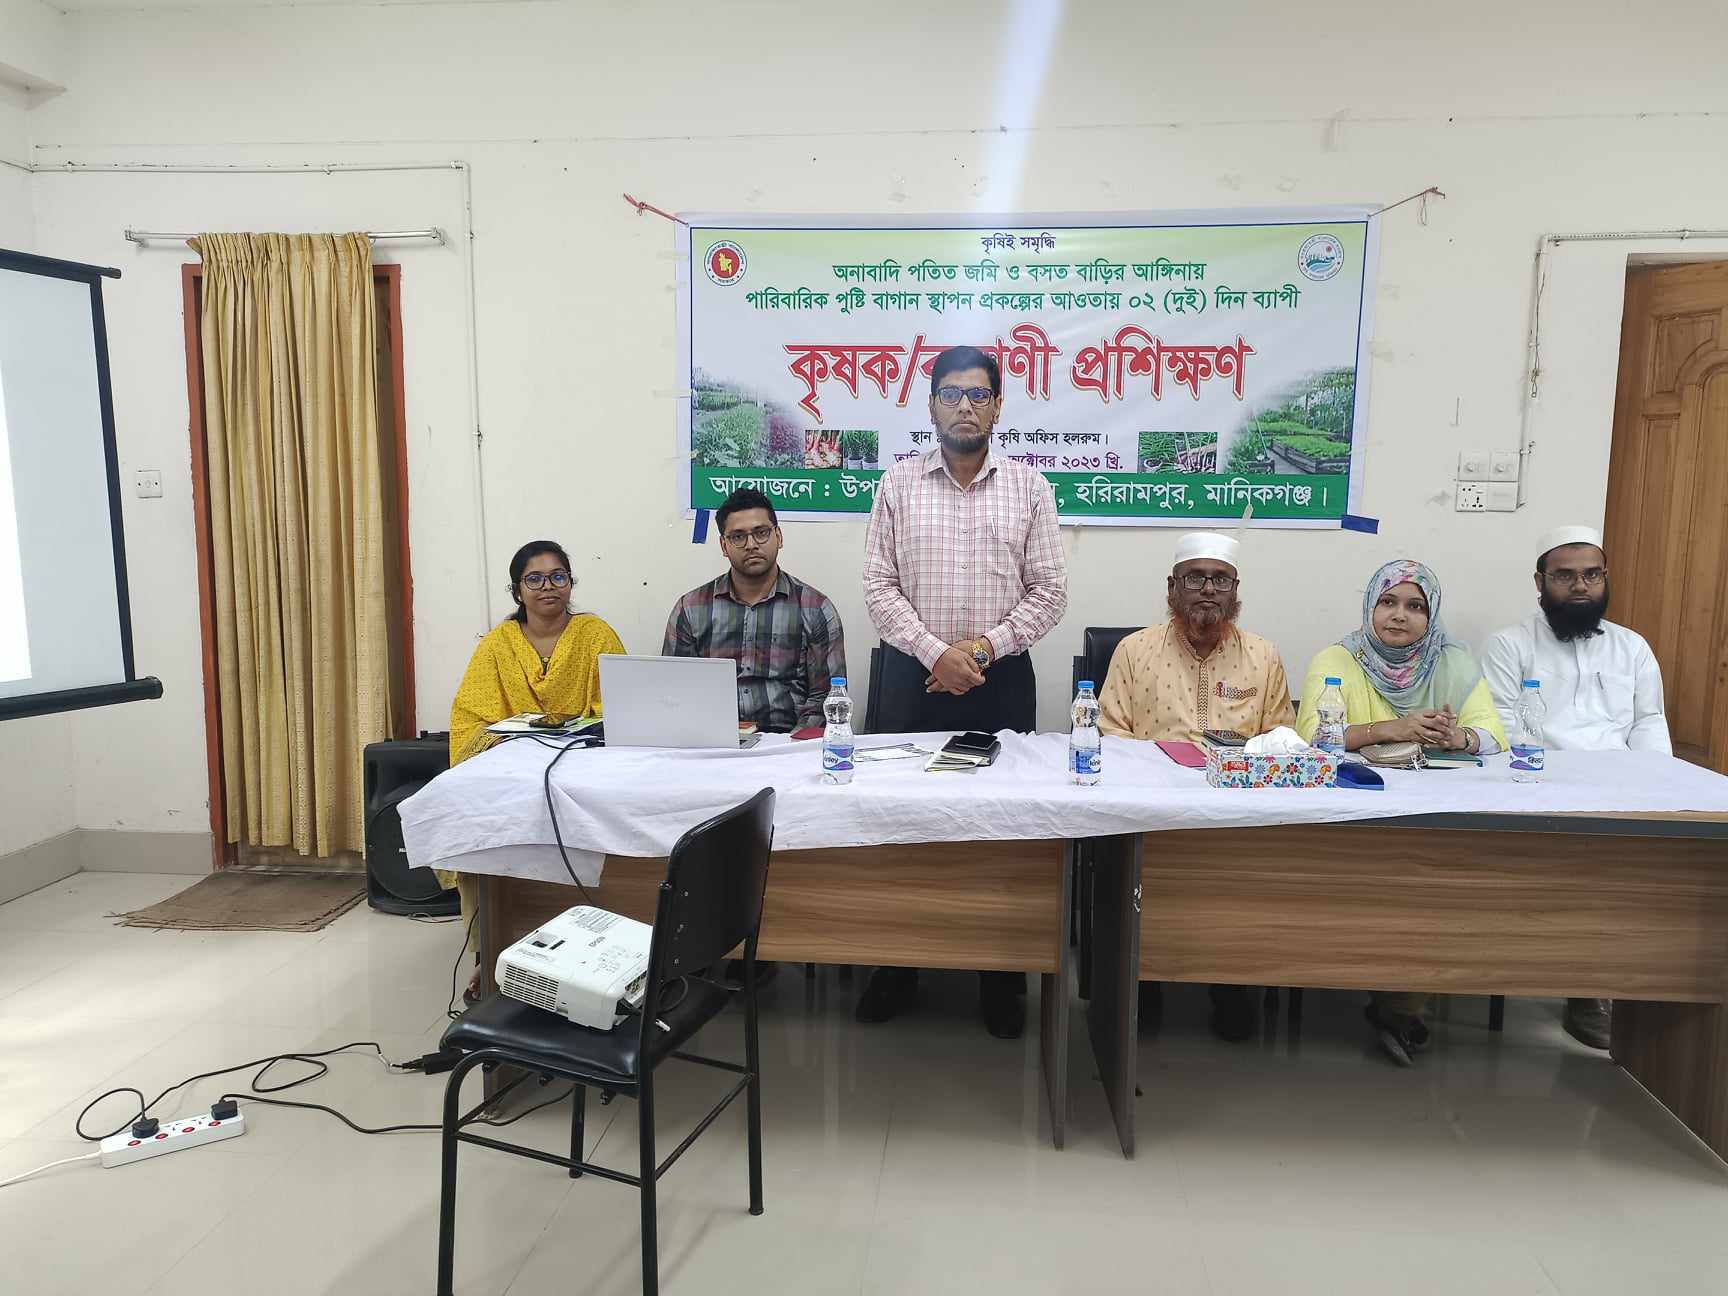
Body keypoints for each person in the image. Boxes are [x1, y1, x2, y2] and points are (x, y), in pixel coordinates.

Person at [860, 344, 1068, 1038]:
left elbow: (1049, 592)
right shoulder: (897, 483)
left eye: (979, 394)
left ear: (999, 406)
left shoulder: (1031, 487)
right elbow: (878, 587)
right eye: (951, 394)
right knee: (901, 826)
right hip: (911, 679)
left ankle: (999, 977)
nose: (965, 407)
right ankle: (895, 966)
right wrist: (935, 653)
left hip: (998, 678)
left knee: (999, 829)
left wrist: (978, 650)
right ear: (931, 406)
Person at [1296, 558, 1508, 1067]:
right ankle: (1385, 995)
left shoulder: (1454, 663)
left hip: (1433, 815)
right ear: (1371, 606)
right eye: (1388, 602)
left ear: (1430, 617)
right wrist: (1391, 728)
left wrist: (1456, 736)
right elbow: (1310, 738)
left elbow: (1495, 736)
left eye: (1416, 606)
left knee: (1436, 885)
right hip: (1353, 814)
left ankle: (1399, 1004)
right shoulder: (1337, 659)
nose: (1399, 615)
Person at [1098, 530, 1296, 1042]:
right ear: (1173, 587)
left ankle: (1231, 985)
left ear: (1235, 590)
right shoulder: (1133, 651)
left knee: (1239, 890)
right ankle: (1144, 986)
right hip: (1152, 815)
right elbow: (1110, 737)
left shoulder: (1264, 656)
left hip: (1237, 820)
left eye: (1220, 580)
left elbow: (1281, 740)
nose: (1208, 589)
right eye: (1195, 578)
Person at [1483, 524, 1671, 1051]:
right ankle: (1579, 986)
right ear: (1540, 582)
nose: (1580, 586)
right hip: (1537, 788)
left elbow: (1649, 721)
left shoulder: (1633, 648)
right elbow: (1503, 725)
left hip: (1621, 791)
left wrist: (1657, 786)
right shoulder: (1510, 644)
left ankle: (1605, 988)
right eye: (1565, 576)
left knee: (1643, 878)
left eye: (1591, 575)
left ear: (1605, 578)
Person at [440, 540, 626, 997]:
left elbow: (621, 707)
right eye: (535, 579)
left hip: (581, 766)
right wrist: (515, 742)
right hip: (513, 771)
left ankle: (600, 940)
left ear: (570, 583)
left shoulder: (595, 634)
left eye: (558, 576)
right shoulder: (498, 644)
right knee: (478, 820)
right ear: (518, 590)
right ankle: (490, 951)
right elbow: (471, 718)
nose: (548, 587)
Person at [664, 487, 847, 733]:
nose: (751, 545)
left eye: (761, 533)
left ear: (778, 536)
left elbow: (826, 699)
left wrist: (791, 744)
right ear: (724, 545)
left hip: (789, 742)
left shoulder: (815, 609)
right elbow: (675, 693)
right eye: (738, 537)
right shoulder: (691, 609)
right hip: (714, 741)